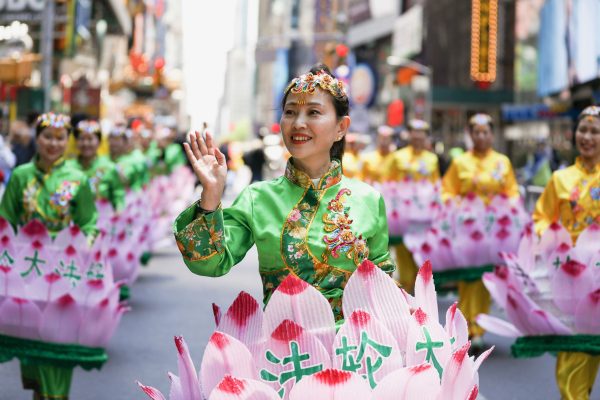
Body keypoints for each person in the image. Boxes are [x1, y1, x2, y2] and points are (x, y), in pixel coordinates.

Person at [173, 64, 394, 320]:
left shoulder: (368, 199)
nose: (298, 123)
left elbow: (381, 280)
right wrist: (211, 195)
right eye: (290, 112)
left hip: (354, 351)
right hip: (284, 351)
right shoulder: (258, 199)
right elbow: (209, 263)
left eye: (313, 112)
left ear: (341, 128)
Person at [0, 112, 98, 399]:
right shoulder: (21, 176)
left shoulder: (77, 179)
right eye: (47, 137)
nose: (53, 143)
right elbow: (6, 220)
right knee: (31, 336)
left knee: (57, 336)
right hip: (27, 268)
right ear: (36, 137)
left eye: (60, 138)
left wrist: (85, 245)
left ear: (68, 141)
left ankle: (55, 394)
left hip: (65, 268)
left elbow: (89, 222)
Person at [532, 106, 600, 400]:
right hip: (566, 273)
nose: (587, 136)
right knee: (571, 346)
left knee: (590, 347)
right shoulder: (560, 179)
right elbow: (541, 217)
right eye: (583, 130)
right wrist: (551, 239)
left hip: (598, 274)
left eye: (594, 131)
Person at [441, 113, 519, 351]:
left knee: (486, 278)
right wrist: (458, 208)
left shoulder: (502, 162)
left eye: (486, 132)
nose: (481, 136)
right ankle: (466, 327)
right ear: (470, 134)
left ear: (492, 135)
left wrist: (511, 209)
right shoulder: (460, 163)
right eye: (477, 132)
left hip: (494, 232)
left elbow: (512, 191)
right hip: (467, 230)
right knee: (468, 278)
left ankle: (479, 328)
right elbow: (447, 192)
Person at [387, 119, 440, 293]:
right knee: (403, 258)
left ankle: (421, 296)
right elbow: (389, 183)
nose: (418, 137)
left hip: (424, 218)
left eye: (422, 134)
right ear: (409, 135)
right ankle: (406, 293)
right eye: (414, 133)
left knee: (421, 258)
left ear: (426, 137)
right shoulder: (398, 157)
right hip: (403, 216)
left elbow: (436, 185)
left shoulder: (432, 159)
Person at [68, 120, 125, 210]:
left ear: (99, 142)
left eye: (90, 139)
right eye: (81, 139)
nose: (85, 143)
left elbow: (118, 195)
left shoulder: (109, 167)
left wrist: (118, 212)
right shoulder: (68, 167)